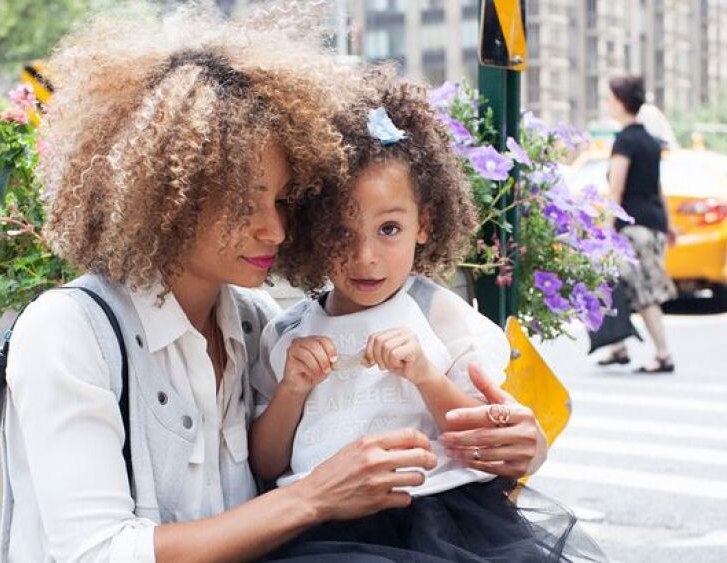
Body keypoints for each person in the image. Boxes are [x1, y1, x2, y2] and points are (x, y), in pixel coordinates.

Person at [0, 6, 549, 562]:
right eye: (245, 203)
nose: (276, 228)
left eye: (283, 200)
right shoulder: (69, 332)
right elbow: (96, 553)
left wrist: (525, 446)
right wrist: (315, 497)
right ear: (168, 200)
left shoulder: (256, 324)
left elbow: (453, 438)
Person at [252, 77, 605, 561]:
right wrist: (292, 389)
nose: (365, 256)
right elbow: (267, 463)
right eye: (340, 231)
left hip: (441, 523)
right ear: (311, 231)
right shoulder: (288, 333)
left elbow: (480, 443)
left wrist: (424, 374)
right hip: (321, 531)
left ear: (427, 225)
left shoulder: (442, 319)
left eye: (389, 229)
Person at [598, 75, 677, 373]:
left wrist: (607, 230)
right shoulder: (649, 141)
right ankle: (618, 346)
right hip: (653, 224)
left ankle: (664, 354)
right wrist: (667, 225)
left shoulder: (626, 140)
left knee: (642, 291)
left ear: (620, 102)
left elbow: (616, 190)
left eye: (609, 98)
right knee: (615, 282)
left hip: (633, 227)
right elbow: (658, 188)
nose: (607, 103)